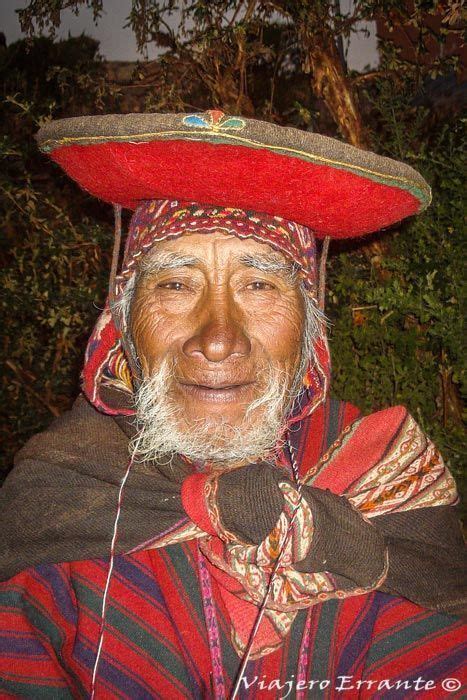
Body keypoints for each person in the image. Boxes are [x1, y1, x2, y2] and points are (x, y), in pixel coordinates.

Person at [0, 110, 465, 698]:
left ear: (310, 328)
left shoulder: (387, 481)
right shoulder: (58, 497)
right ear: (120, 323)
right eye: (174, 284)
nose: (218, 338)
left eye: (260, 285)